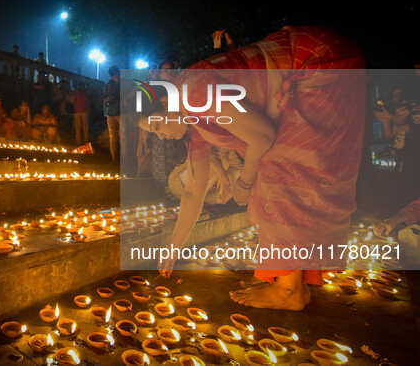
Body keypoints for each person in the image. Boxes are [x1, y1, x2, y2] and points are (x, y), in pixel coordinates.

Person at [138, 25, 366, 311]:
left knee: (280, 166)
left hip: (318, 61)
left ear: (164, 101)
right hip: (311, 63)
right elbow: (194, 189)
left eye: (157, 124)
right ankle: (291, 280)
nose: (160, 135)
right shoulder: (193, 121)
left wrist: (244, 184)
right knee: (272, 166)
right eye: (153, 132)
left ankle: (289, 290)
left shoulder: (193, 94)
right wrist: (173, 248)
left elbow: (262, 137)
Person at [103, 65, 120, 164]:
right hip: (111, 113)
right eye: (113, 77)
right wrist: (106, 100)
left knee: (122, 136)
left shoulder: (124, 83)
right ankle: (114, 159)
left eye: (116, 76)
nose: (115, 78)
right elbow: (105, 96)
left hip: (122, 113)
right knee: (113, 136)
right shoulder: (109, 84)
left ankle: (124, 160)